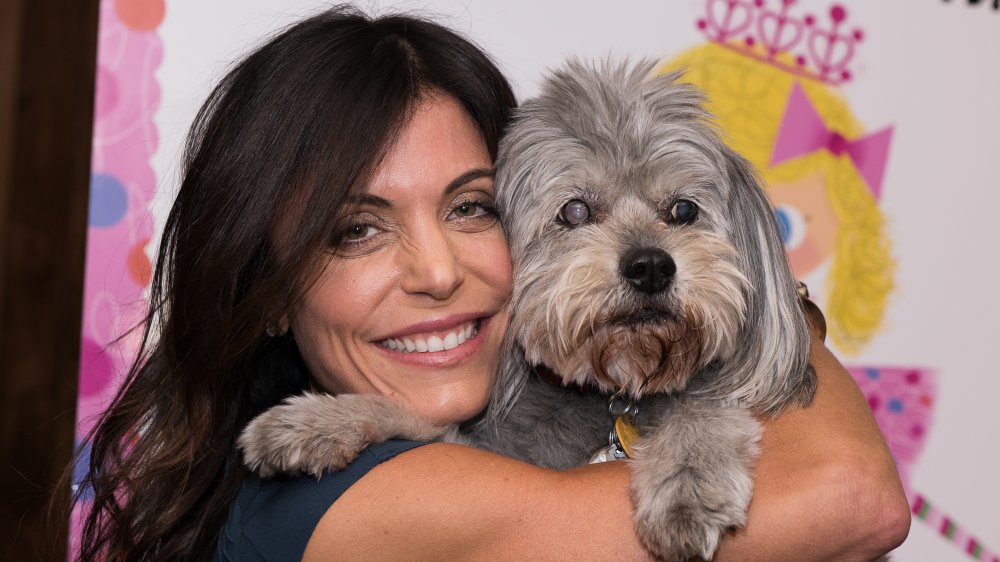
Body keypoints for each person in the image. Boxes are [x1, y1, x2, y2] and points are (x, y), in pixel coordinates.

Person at [74, 6, 910, 561]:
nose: (439, 272)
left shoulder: (506, 432)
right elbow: (853, 497)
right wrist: (781, 310)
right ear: (266, 291)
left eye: (472, 208)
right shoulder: (311, 502)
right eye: (355, 230)